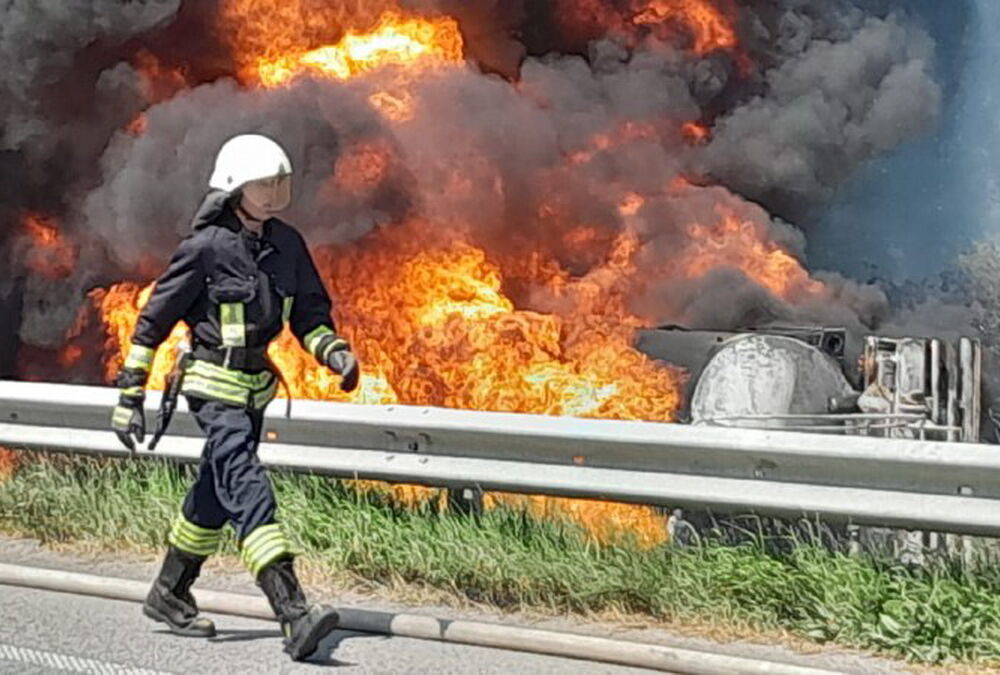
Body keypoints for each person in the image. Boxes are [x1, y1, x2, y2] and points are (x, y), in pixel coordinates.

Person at [110, 133, 360, 661]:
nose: (274, 192)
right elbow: (151, 324)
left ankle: (170, 591)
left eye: (279, 182)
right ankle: (293, 612)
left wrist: (334, 353)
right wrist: (129, 394)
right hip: (210, 386)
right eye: (263, 183)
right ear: (235, 187)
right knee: (246, 485)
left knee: (215, 491)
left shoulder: (287, 246)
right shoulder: (204, 249)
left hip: (255, 391)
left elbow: (309, 316)